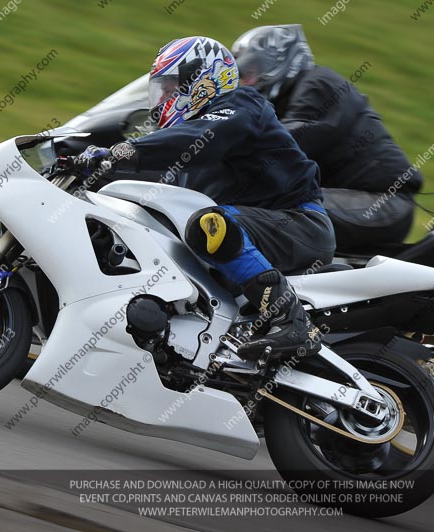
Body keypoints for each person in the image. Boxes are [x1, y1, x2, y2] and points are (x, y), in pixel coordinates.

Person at [72, 36, 334, 360]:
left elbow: (196, 138)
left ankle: (293, 322)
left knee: (208, 223)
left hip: (298, 222)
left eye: (170, 89)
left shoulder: (241, 106)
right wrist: (90, 177)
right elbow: (153, 181)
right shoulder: (194, 142)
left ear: (202, 81)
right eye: (160, 90)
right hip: (255, 227)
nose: (161, 100)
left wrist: (121, 152)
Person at [232, 25, 423, 253]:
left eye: (251, 72)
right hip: (356, 201)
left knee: (267, 211)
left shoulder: (318, 83)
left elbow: (290, 141)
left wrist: (226, 151)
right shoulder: (281, 103)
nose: (246, 82)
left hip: (383, 202)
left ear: (280, 60)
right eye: (242, 76)